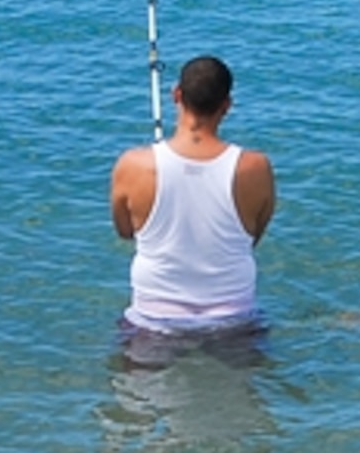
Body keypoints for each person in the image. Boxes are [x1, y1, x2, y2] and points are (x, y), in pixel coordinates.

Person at [110, 54, 275, 332]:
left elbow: (126, 231)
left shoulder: (133, 165)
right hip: (233, 318)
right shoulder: (255, 168)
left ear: (177, 95)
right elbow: (252, 236)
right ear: (227, 106)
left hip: (154, 318)